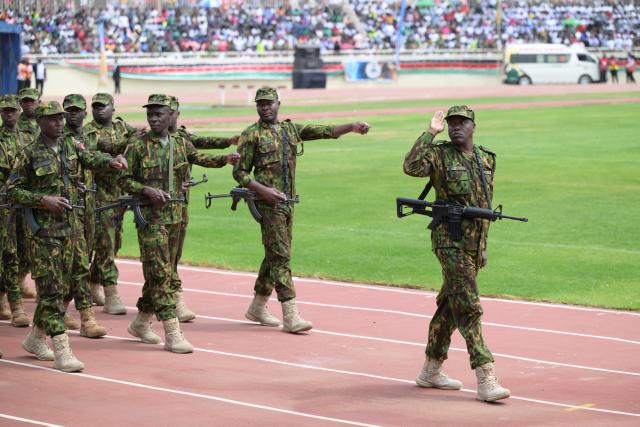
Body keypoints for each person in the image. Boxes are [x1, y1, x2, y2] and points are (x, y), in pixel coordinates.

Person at [232, 87, 370, 333]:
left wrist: (351, 126)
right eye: (260, 104)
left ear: (278, 103)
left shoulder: (290, 130)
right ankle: (290, 313)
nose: (264, 107)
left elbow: (325, 131)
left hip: (288, 204)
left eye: (269, 103)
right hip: (267, 204)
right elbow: (239, 173)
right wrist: (264, 190)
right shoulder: (251, 135)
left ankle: (257, 306)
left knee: (275, 253)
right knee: (281, 255)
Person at [8, 101, 127, 372]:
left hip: (73, 231)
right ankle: (62, 349)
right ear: (39, 121)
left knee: (71, 287)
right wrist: (42, 200)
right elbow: (12, 191)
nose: (60, 123)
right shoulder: (28, 154)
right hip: (46, 235)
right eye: (52, 119)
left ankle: (36, 338)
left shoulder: (71, 145)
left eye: (61, 118)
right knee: (51, 291)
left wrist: (112, 161)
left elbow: (91, 159)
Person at [403, 105, 510, 403]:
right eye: (452, 123)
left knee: (449, 306)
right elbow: (410, 167)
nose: (456, 127)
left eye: (462, 123)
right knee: (469, 306)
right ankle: (485, 375)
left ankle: (431, 369)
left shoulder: (486, 158)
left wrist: (483, 247)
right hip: (449, 241)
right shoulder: (439, 154)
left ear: (473, 126)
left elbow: (484, 206)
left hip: (473, 245)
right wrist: (429, 134)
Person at [118, 94, 238, 353]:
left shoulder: (179, 142)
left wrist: (224, 159)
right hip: (150, 219)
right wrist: (147, 190)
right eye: (150, 114)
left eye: (158, 114)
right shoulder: (138, 146)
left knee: (161, 272)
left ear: (170, 114)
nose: (153, 119)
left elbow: (199, 158)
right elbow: (124, 180)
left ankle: (140, 322)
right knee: (160, 274)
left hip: (176, 217)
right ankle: (172, 332)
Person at [168, 95, 240, 322]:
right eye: (161, 112)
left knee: (174, 254)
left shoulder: (183, 139)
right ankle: (171, 299)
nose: (166, 116)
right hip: (153, 209)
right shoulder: (144, 141)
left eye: (170, 112)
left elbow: (200, 150)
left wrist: (226, 149)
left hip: (179, 205)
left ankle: (165, 300)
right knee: (160, 257)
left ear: (177, 115)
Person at [59, 93, 108, 338]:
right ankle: (87, 316)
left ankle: (59, 309)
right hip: (67, 210)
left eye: (78, 110)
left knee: (81, 259)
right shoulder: (58, 140)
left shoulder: (92, 136)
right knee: (78, 262)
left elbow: (105, 152)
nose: (74, 114)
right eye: (70, 110)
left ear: (84, 112)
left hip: (90, 207)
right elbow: (89, 158)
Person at [83, 93, 136, 314]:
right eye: (95, 107)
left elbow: (139, 138)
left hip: (121, 194)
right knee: (105, 243)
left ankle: (93, 281)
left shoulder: (122, 126)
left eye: (103, 106)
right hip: (99, 195)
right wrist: (114, 158)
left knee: (114, 243)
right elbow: (90, 155)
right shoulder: (88, 131)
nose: (98, 110)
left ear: (113, 107)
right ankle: (111, 291)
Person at [0, 95, 31, 328]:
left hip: (25, 205)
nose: (9, 114)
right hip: (4, 207)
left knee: (26, 252)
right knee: (8, 254)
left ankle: (4, 292)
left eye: (12, 110)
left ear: (19, 111)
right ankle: (15, 305)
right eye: (4, 111)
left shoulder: (29, 139)